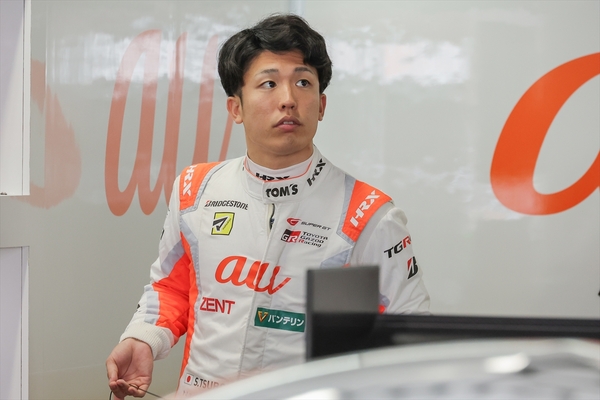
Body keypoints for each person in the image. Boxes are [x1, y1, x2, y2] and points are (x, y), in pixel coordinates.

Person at [106, 13, 429, 399]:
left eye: (303, 82)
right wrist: (143, 338)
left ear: (321, 105)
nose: (288, 99)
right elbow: (171, 287)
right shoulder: (195, 190)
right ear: (236, 108)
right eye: (269, 83)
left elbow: (410, 335)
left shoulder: (370, 214)